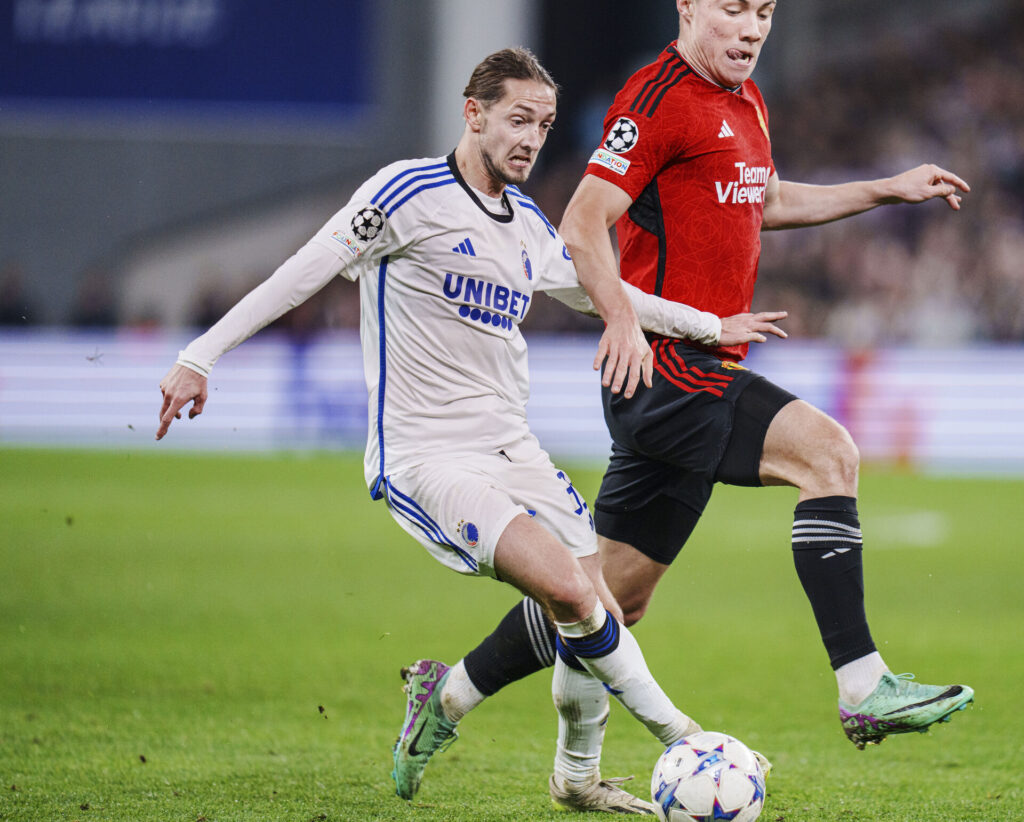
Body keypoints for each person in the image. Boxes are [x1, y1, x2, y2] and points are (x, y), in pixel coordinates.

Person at [155, 47, 778, 815]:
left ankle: (555, 765)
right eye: (518, 119)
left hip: (513, 449)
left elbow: (603, 294)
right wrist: (199, 355)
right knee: (567, 592)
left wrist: (709, 325)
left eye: (544, 126)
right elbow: (305, 269)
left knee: (600, 607)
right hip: (426, 457)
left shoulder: (526, 226)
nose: (531, 138)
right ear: (472, 113)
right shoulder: (407, 192)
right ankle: (685, 736)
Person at [403, 0, 975, 812]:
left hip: (690, 371)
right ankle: (864, 683)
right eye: (734, 9)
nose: (751, 28)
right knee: (829, 452)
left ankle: (448, 695)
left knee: (605, 599)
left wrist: (886, 189)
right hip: (671, 370)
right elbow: (582, 222)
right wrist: (622, 316)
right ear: (689, 8)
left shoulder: (746, 102)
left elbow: (765, 201)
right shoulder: (657, 95)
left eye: (766, 12)